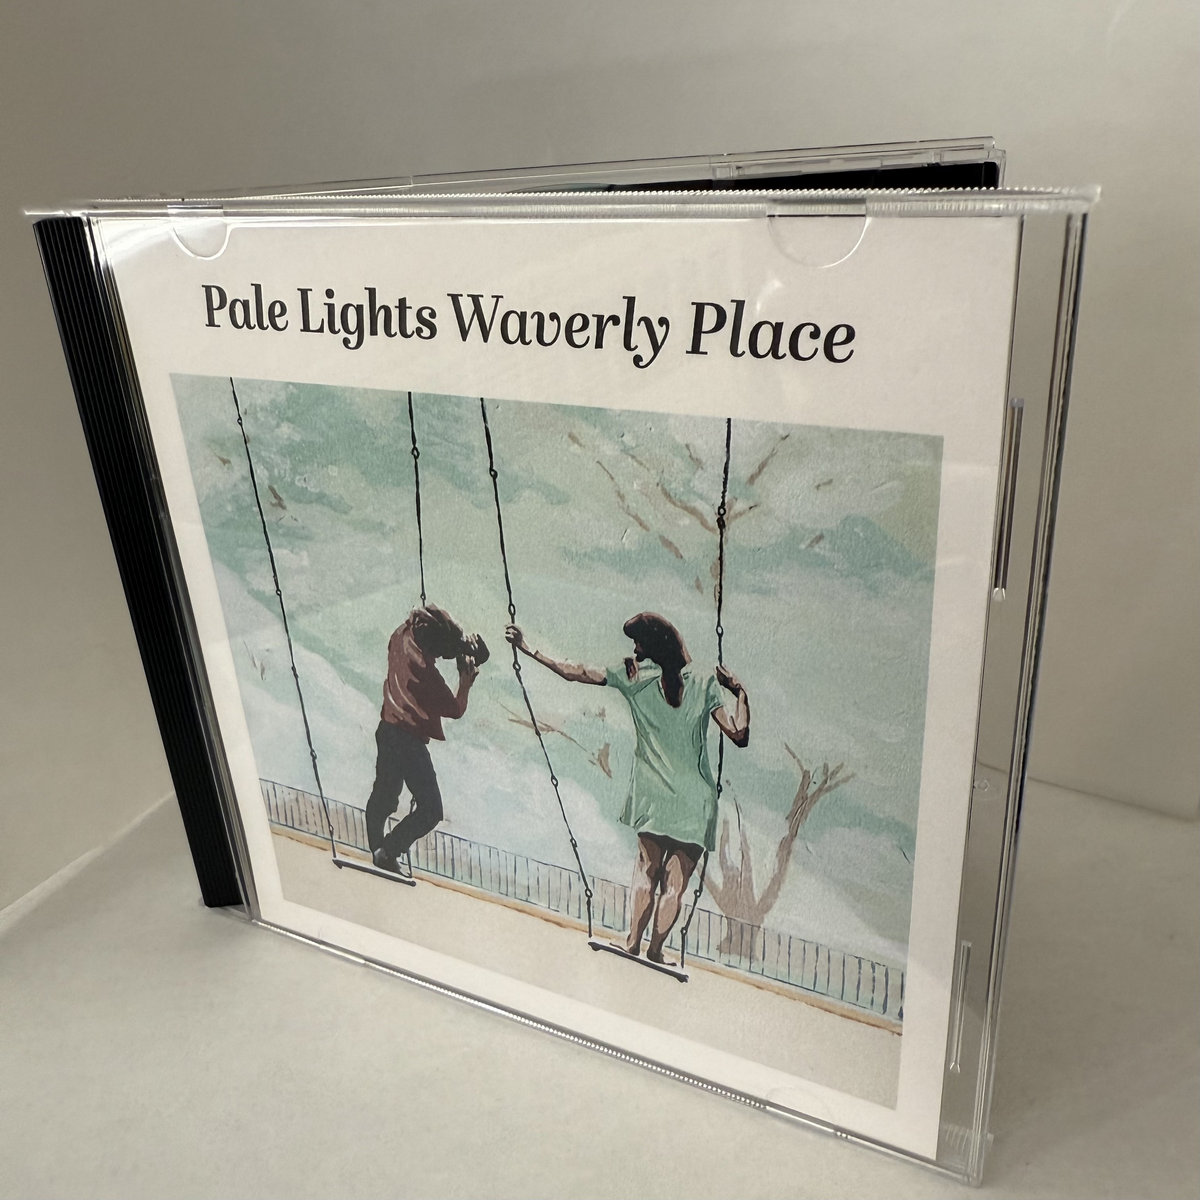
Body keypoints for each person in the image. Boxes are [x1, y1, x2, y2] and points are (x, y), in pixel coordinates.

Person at [505, 613, 749, 966]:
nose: (634, 649)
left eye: (639, 643)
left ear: (652, 647)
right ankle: (656, 951)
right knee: (675, 885)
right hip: (696, 802)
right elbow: (739, 734)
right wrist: (739, 691)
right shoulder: (705, 683)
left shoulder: (633, 676)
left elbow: (575, 672)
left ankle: (633, 943)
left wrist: (529, 649)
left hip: (653, 795)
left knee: (646, 871)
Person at [366, 603, 488, 875]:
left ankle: (377, 848)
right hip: (409, 742)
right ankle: (388, 851)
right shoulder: (426, 674)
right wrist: (465, 681)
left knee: (385, 797)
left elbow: (430, 627)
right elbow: (455, 709)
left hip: (387, 731)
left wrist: (458, 641)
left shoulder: (400, 636)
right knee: (431, 809)